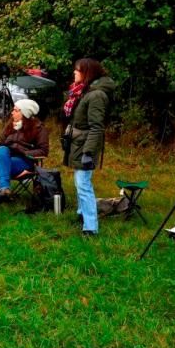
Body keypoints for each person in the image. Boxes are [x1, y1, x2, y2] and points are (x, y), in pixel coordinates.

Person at [63, 58, 116, 236]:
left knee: (83, 184)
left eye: (77, 70)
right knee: (80, 182)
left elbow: (97, 127)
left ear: (87, 73)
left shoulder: (96, 95)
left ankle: (91, 227)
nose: (74, 73)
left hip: (85, 145)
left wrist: (88, 152)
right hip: (78, 143)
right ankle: (81, 214)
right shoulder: (84, 91)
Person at [0, 99, 49, 215]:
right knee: (2, 150)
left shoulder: (38, 128)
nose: (12, 113)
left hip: (25, 161)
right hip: (5, 158)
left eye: (15, 110)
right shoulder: (10, 125)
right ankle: (4, 188)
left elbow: (43, 151)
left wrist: (24, 152)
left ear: (24, 113)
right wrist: (3, 150)